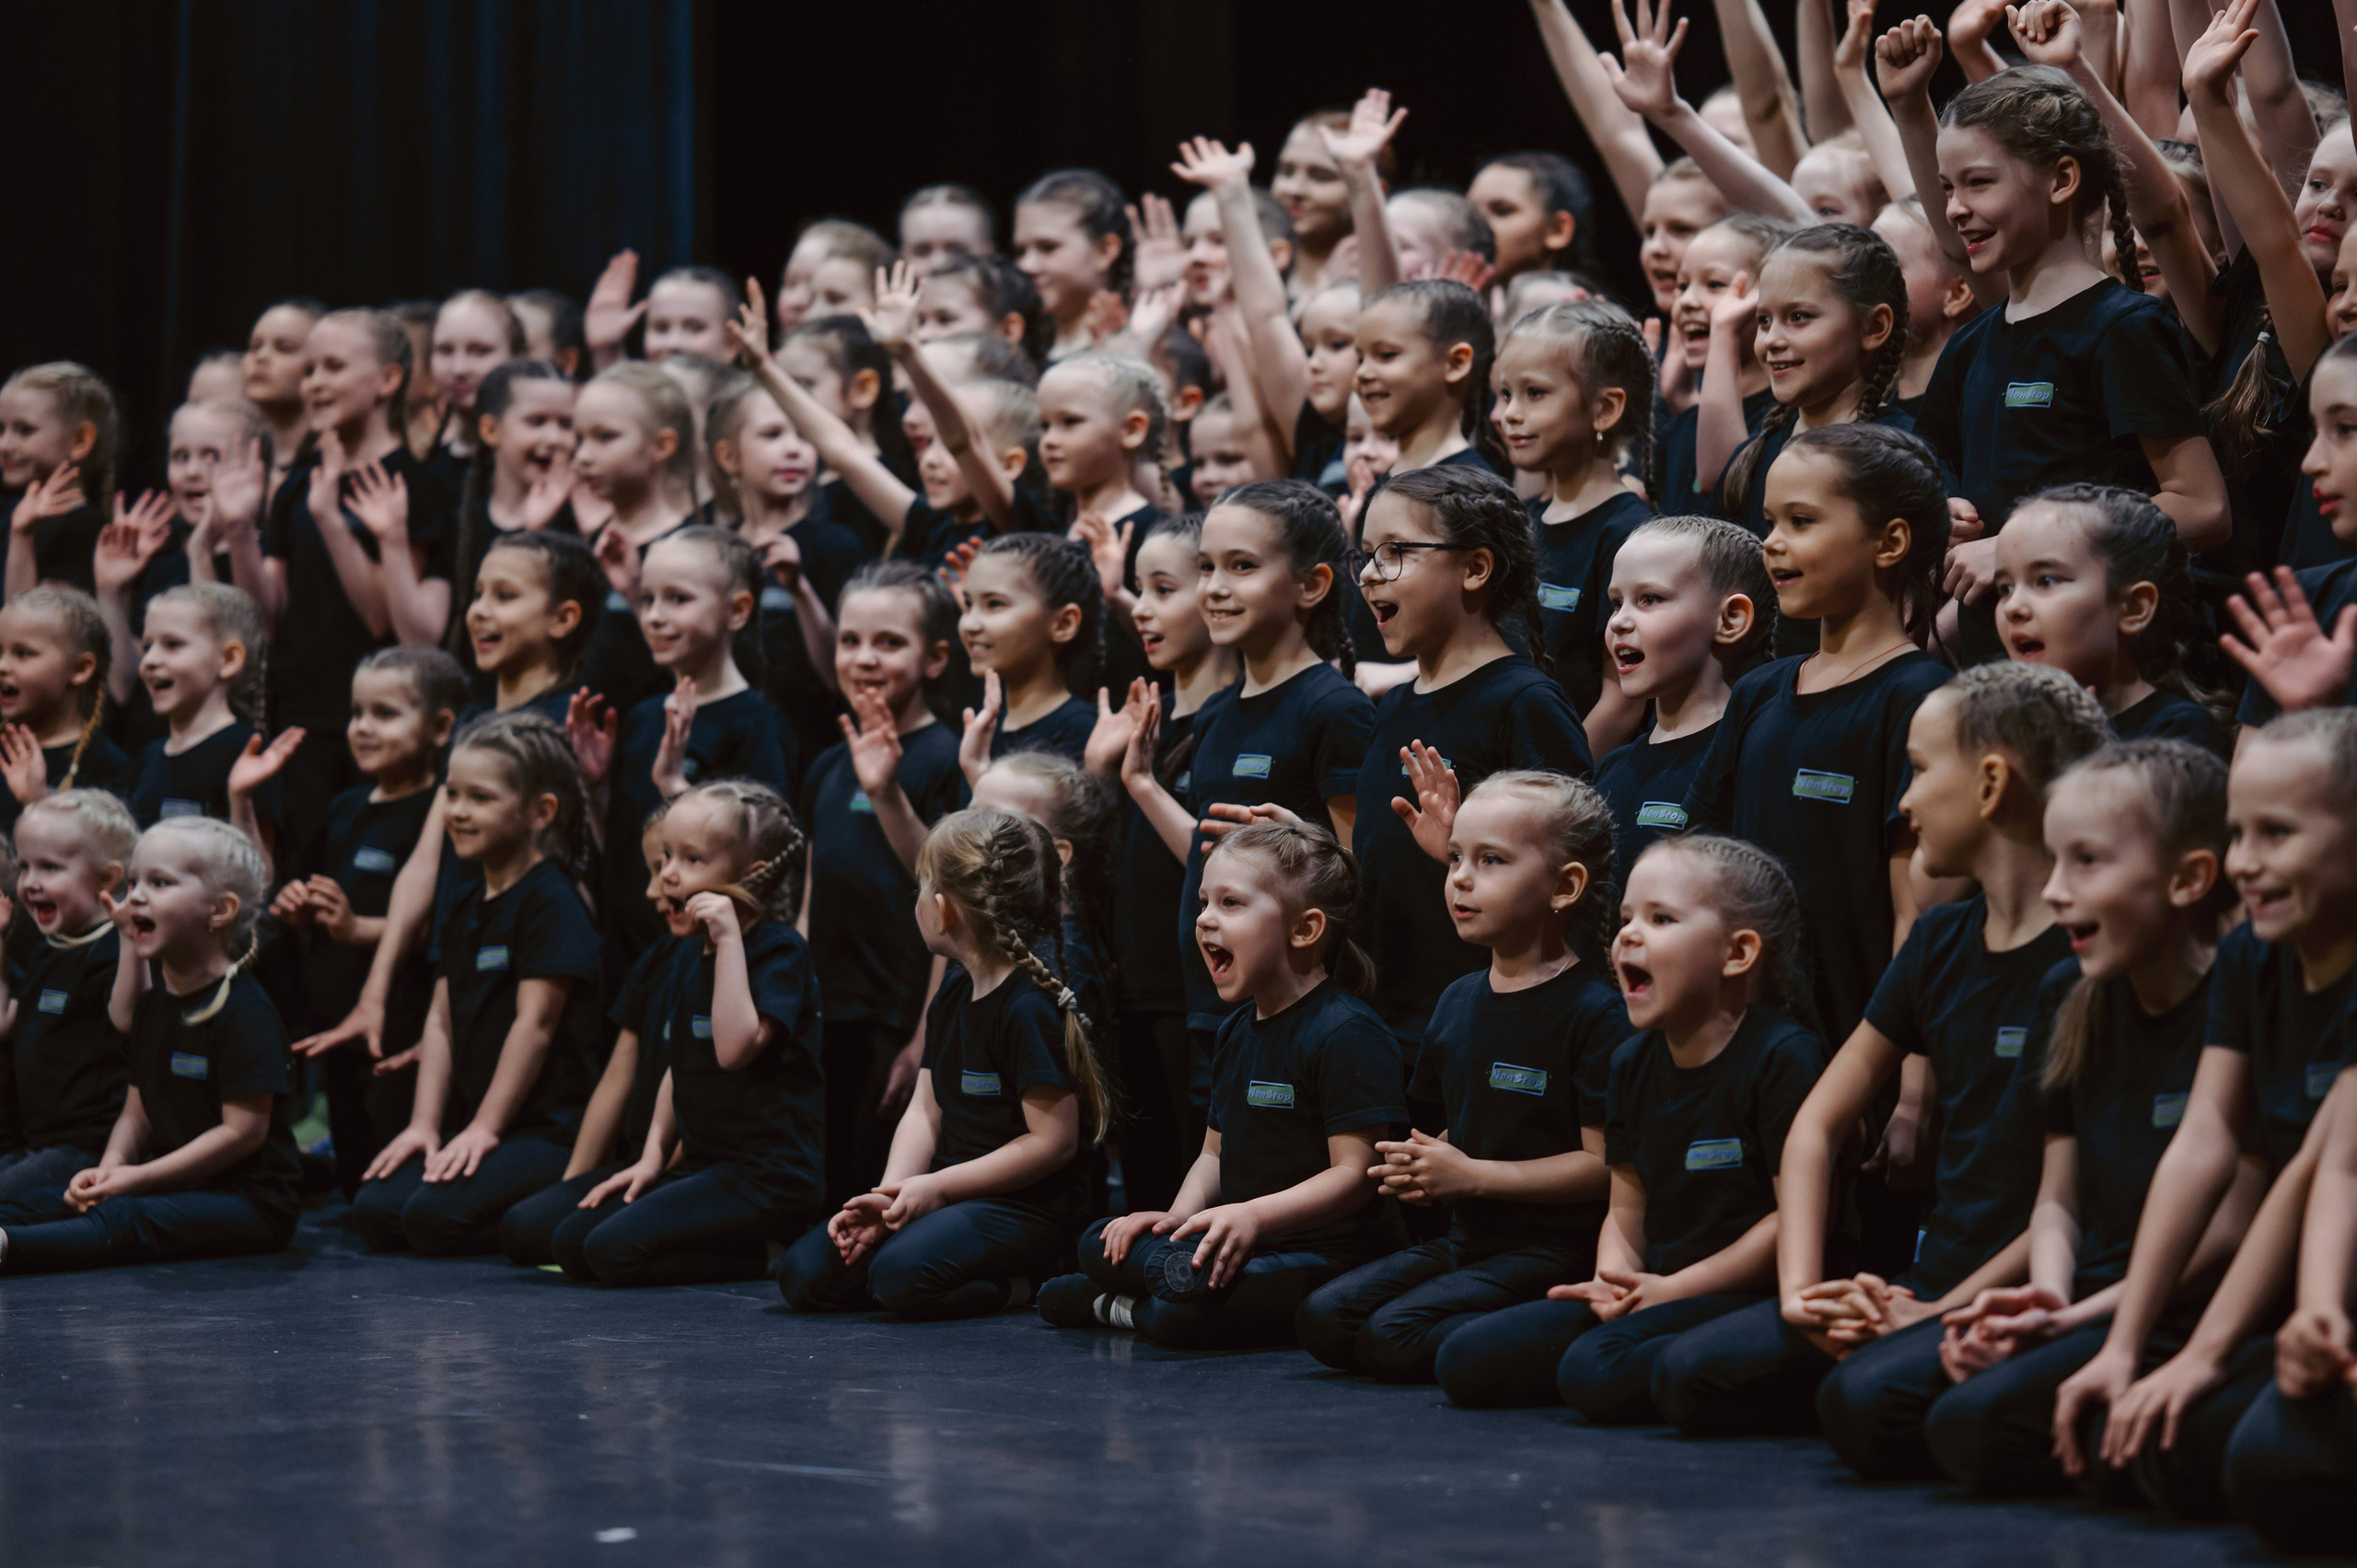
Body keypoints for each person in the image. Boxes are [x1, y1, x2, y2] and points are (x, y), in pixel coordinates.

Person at [1662, 664, 2107, 1443]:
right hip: (1926, 1281)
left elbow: (2074, 1194)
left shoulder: (2089, 960)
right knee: (1687, 1372)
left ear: (1993, 781)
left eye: (1921, 770)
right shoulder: (1938, 939)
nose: (1902, 800)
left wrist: (1939, 1312)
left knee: (1866, 1407)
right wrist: (1805, 1290)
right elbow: (1816, 1125)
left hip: (2020, 1285)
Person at [2039, 711, 2357, 1512]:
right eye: (2240, 833)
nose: (2245, 864)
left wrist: (2301, 1315)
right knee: (2152, 1453)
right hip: (2309, 1293)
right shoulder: (2253, 956)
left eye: (2277, 833)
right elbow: (2244, 1153)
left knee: (2263, 1472)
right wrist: (2131, 1345)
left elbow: (2335, 1163)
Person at [1923, 740, 2236, 1497]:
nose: (2057, 891)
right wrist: (2047, 1301)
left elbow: (2233, 1226)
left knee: (1979, 1426)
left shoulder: (2238, 990)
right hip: (2092, 1291)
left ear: (2189, 878)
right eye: (2054, 861)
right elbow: (2058, 1197)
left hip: (2193, 1300)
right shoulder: (2070, 991)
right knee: (1870, 1400)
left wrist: (2073, 1324)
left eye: (2087, 862)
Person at [1431, 833, 1826, 1413]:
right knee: (1466, 1361)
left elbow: (1787, 1222)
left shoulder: (1783, 1058)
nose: (1629, 936)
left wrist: (1669, 1292)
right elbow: (1627, 1205)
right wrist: (1613, 1281)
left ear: (1737, 953)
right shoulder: (1632, 1060)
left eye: (1661, 918)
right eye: (1625, 919)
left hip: (1751, 1290)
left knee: (1608, 1371)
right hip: (1658, 1285)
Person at [1877, 25, 2228, 660]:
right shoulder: (1973, 344)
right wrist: (1946, 511)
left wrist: (2018, 548)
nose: (1954, 209)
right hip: (1997, 661)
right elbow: (1936, 476)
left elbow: (2201, 507)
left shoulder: (2123, 328)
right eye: (1948, 188)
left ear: (2062, 179)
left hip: (2104, 661)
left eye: (1978, 183)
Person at [1296, 772, 1628, 1381]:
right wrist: (1431, 1161)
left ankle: (1555, 1325)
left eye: (1491, 859)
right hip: (1470, 1240)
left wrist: (1472, 1175)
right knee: (1325, 1317)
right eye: (1455, 858)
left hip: (1550, 1250)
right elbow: (1471, 1121)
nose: (1461, 877)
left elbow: (1605, 1165)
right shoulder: (1456, 999)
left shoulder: (1596, 1014)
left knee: (1395, 1339)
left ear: (1565, 886)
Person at [1037, 819, 1401, 1347]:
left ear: (1305, 929)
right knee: (1100, 1241)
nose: (1204, 919)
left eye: (1230, 904)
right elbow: (1213, 1155)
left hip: (1327, 1254)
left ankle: (1117, 1308)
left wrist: (1253, 1216)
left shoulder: (1347, 1032)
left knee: (1178, 1312)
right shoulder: (1235, 1029)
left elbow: (1355, 1174)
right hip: (1237, 1244)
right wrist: (1178, 1218)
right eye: (1204, 901)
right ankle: (1140, 1295)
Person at [778, 807, 1105, 1318]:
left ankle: (1024, 1282)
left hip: (1026, 1208)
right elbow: (924, 1111)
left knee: (899, 1277)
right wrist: (891, 1198)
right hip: (947, 1193)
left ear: (943, 909)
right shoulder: (952, 991)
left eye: (922, 887)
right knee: (805, 1275)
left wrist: (935, 1188)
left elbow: (1053, 1142)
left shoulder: (1027, 1008)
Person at [1343, 465, 1591, 1098]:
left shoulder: (1525, 703)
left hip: (1483, 1028)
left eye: (1396, 552)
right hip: (1386, 1022)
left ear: (1475, 568)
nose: (1371, 572)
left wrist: (1463, 846)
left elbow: (1575, 878)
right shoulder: (1396, 705)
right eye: (1367, 554)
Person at [1119, 481, 1370, 1102]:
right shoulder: (1219, 711)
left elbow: (1366, 873)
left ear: (1311, 585)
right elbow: (1208, 857)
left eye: (1242, 566)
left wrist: (1303, 846)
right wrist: (1143, 784)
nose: (1215, 587)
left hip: (1295, 1009)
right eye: (1206, 567)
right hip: (1211, 999)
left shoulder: (1333, 708)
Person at [550, 781, 822, 1285]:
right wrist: (652, 1157)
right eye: (668, 855)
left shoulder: (780, 952)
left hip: (766, 1177)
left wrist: (727, 939)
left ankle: (768, 1253)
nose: (668, 874)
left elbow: (734, 1048)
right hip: (703, 1164)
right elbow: (682, 1064)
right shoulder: (689, 953)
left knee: (613, 1251)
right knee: (571, 1242)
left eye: (691, 860)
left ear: (755, 877)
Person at [0, 819, 299, 1274]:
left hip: (250, 1200)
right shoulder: (156, 1005)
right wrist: (110, 1166)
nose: (135, 895)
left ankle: (7, 1249)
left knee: (123, 1217)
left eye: (159, 883)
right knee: (78, 1202)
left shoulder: (245, 1010)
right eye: (135, 881)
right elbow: (135, 1113)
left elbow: (242, 1133)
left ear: (220, 910)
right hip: (180, 1186)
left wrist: (134, 1179)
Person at [351, 714, 601, 1255]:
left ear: (541, 812)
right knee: (374, 1211)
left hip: (547, 1130)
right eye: (453, 795)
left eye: (480, 798)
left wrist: (485, 1127)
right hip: (485, 1123)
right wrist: (425, 1124)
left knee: (431, 1219)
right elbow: (440, 1020)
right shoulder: (465, 900)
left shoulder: (551, 900)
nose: (459, 812)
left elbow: (535, 1024)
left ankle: (542, 1221)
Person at [275, 648, 468, 1199]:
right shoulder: (346, 808)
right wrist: (297, 906)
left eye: (384, 714)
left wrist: (357, 927)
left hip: (401, 1024)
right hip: (339, 1021)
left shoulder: (446, 814)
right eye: (357, 712)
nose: (361, 728)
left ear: (440, 728)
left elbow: (441, 929)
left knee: (386, 1184)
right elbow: (306, 891)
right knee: (353, 1180)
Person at [801, 563, 965, 1203]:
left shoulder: (947, 756)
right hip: (829, 1009)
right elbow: (814, 892)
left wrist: (924, 1036)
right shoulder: (825, 762)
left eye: (889, 642)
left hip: (895, 1014)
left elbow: (955, 902)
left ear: (935, 658)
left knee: (877, 1185)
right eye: (850, 641)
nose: (864, 658)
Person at [1097, 516, 1239, 1210]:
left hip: (1202, 990)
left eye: (1161, 589)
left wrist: (1141, 784)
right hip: (1139, 982)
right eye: (1135, 591)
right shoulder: (1139, 722)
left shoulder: (1232, 722)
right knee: (1145, 1182)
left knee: (1195, 1176)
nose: (1142, 609)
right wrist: (1101, 773)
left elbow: (1225, 863)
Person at [1494, 300, 1655, 743]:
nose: (1509, 413)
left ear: (1604, 408)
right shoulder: (1521, 522)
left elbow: (1622, 702)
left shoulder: (1627, 535)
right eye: (1506, 394)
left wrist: (1555, 787)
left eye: (1535, 393)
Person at [1592, 516, 1772, 866]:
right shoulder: (1612, 767)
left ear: (1730, 619)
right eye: (1616, 602)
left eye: (1650, 599)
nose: (1618, 621)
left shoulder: (1749, 762)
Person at [1992, 485, 2228, 751]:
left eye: (2046, 581)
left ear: (2133, 608)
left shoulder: (2180, 733)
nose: (2013, 607)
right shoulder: (2001, 726)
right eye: (2005, 588)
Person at [0, 791, 137, 1216]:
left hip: (88, 1149)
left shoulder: (113, 948)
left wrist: (131, 939)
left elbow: (127, 1018)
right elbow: (5, 1025)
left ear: (107, 879)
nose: (29, 882)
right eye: (24, 866)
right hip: (39, 1143)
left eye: (49, 867)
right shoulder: (47, 946)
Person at [954, 532, 1104, 775]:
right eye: (968, 604)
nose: (970, 624)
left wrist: (978, 774)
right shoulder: (985, 724)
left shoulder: (1079, 733)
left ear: (1063, 624)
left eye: (994, 604)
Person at [0, 586, 135, 842]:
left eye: (23, 653)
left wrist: (37, 802)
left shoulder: (107, 767)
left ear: (80, 669)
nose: (2, 666)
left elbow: (99, 859)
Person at [1, 361, 119, 597]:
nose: (4, 445)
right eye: (1, 429)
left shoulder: (86, 532)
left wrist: (21, 538)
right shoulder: (6, 514)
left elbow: (27, 627)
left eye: (25, 430)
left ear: (80, 441)